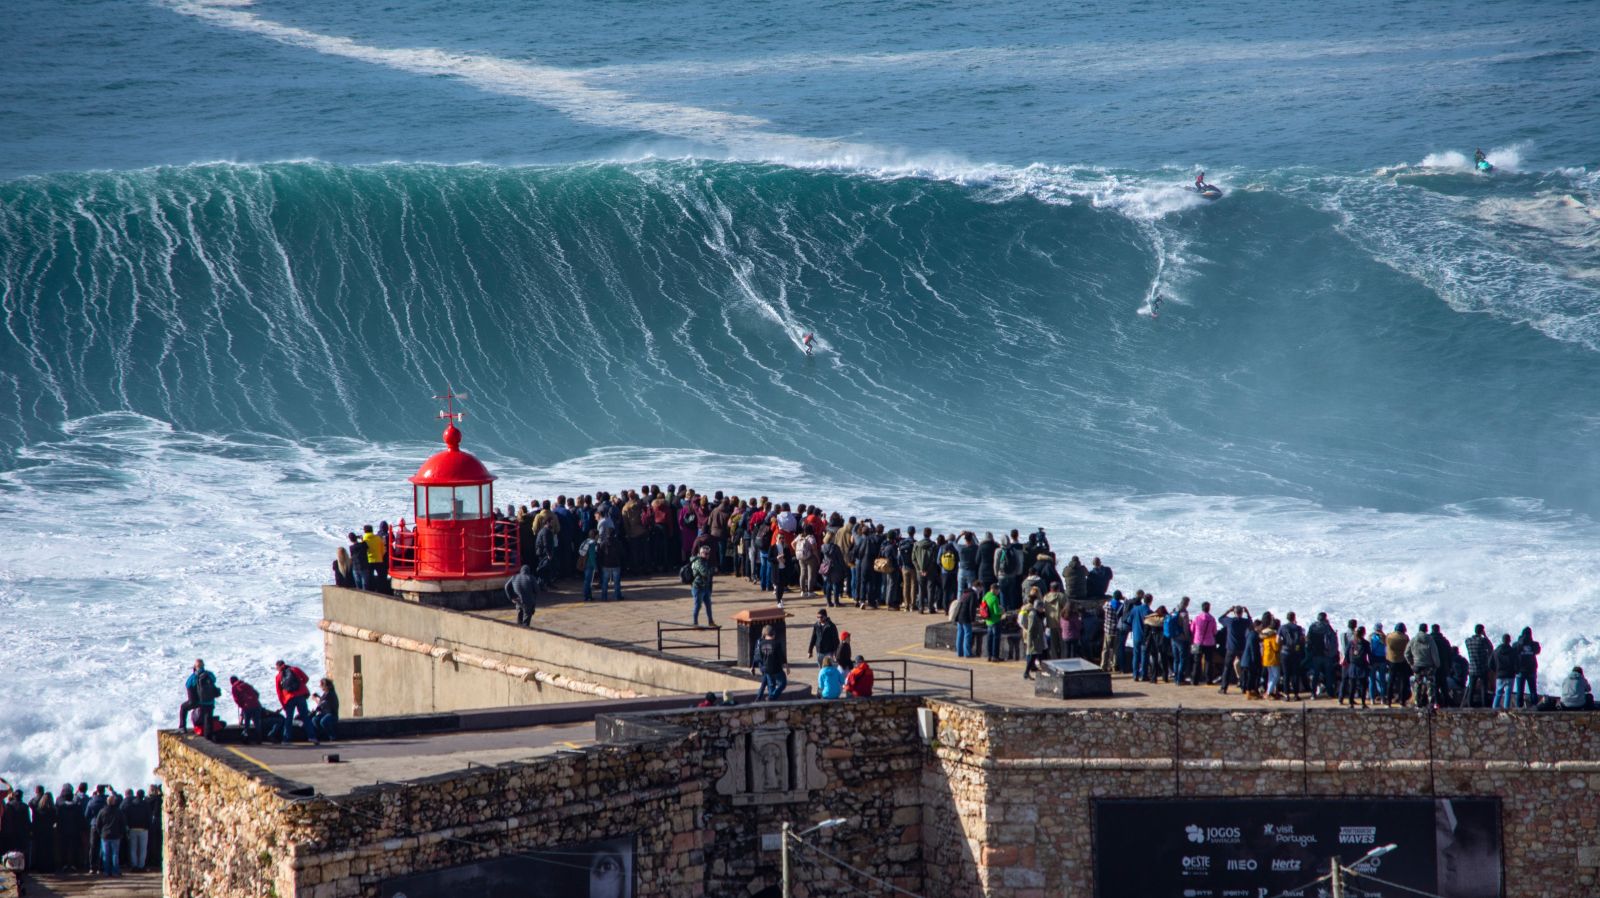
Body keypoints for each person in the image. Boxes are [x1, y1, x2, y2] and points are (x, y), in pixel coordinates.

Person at [275, 660, 316, 745]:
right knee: (305, 717)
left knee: (289, 718)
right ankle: (312, 737)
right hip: (300, 696)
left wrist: (283, 704)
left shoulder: (278, 676)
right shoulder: (295, 669)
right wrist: (300, 685)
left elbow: (279, 692)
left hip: (289, 698)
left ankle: (286, 739)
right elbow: (306, 678)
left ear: (278, 667)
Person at [179, 658, 219, 738]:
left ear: (195, 666)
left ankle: (182, 727)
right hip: (210, 702)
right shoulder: (210, 674)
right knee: (208, 718)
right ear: (204, 665)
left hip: (198, 702)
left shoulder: (194, 676)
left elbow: (188, 685)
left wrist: (192, 701)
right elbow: (214, 680)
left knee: (183, 707)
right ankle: (208, 736)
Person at [95, 793, 127, 878]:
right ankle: (115, 871)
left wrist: (101, 833)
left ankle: (106, 871)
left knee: (106, 854)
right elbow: (123, 824)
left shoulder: (102, 811)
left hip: (105, 835)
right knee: (115, 854)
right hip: (116, 835)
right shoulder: (118, 811)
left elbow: (98, 824)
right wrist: (121, 833)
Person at [752, 625, 787, 702]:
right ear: (773, 634)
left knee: (771, 686)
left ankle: (771, 704)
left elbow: (759, 656)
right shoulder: (776, 644)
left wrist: (755, 666)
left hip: (766, 669)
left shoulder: (761, 644)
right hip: (776, 669)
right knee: (783, 683)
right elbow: (781, 656)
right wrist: (786, 665)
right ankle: (772, 696)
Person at [1463, 624, 1492, 708]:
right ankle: (1484, 705)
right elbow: (1490, 647)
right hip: (1482, 668)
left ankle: (1469, 704)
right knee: (1484, 688)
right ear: (1482, 631)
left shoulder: (1468, 641)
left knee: (1471, 687)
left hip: (1472, 668)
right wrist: (1485, 635)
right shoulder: (1482, 641)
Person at [229, 676, 265, 743]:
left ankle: (246, 739)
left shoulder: (234, 687)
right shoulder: (246, 684)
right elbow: (257, 693)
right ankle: (259, 739)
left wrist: (242, 705)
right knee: (257, 723)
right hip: (256, 705)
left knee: (246, 724)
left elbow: (236, 699)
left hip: (247, 707)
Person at [1020, 597, 1048, 680]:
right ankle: (1026, 673)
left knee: (1038, 656)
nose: (1042, 609)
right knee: (1033, 657)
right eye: (1041, 607)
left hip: (1038, 639)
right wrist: (1030, 641)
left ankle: (1028, 672)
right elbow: (1031, 629)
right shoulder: (1033, 615)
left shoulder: (1037, 614)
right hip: (1034, 640)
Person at [124, 790, 151, 872]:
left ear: (136, 795)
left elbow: (127, 816)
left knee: (133, 849)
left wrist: (128, 826)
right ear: (143, 796)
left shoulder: (131, 805)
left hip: (132, 828)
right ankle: (141, 866)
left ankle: (134, 866)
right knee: (143, 849)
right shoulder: (146, 805)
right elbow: (149, 817)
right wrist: (148, 827)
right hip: (143, 829)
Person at [1514, 627, 1541, 708]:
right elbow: (1538, 650)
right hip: (1531, 670)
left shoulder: (1516, 644)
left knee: (1520, 691)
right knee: (1533, 690)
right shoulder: (1533, 644)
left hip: (1520, 670)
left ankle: (1519, 707)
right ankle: (1535, 706)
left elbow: (1513, 650)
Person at [690, 544, 716, 627]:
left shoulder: (704, 561)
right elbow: (704, 573)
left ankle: (711, 622)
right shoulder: (698, 561)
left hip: (705, 587)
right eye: (706, 553)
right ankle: (695, 623)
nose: (708, 555)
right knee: (698, 606)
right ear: (701, 553)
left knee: (708, 605)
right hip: (698, 588)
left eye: (708, 554)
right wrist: (712, 570)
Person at [1491, 634, 1518, 709]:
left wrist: (1496, 670)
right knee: (1508, 694)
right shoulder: (1513, 651)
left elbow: (1490, 664)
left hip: (1499, 675)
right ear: (1509, 640)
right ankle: (1506, 710)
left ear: (1502, 640)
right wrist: (1515, 671)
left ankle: (1494, 709)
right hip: (1510, 675)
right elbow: (1516, 663)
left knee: (1498, 693)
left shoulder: (1496, 651)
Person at [311, 678, 340, 743]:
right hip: (326, 714)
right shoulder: (326, 693)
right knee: (315, 719)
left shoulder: (330, 693)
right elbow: (322, 702)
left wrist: (315, 699)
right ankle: (322, 735)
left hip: (332, 715)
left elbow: (321, 704)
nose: (321, 687)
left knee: (323, 721)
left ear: (326, 686)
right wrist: (318, 696)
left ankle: (332, 736)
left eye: (321, 685)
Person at [981, 585, 1005, 662]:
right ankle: (995, 656)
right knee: (996, 639)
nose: (998, 592)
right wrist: (1002, 611)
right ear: (994, 589)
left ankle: (989, 655)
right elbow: (996, 611)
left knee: (989, 638)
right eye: (998, 590)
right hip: (995, 621)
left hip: (988, 621)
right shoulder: (995, 598)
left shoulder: (985, 596)